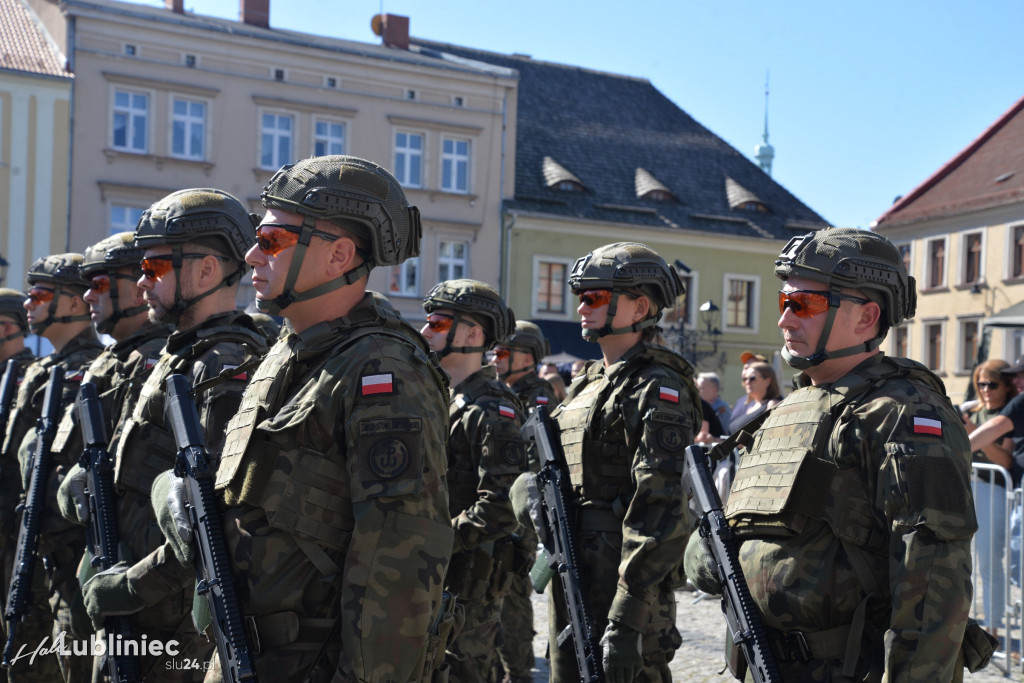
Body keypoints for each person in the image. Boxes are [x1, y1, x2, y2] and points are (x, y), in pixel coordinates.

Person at [171, 156, 451, 680]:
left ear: (339, 254)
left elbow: (401, 566)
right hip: (243, 652)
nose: (252, 253)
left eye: (272, 239)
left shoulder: (382, 371)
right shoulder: (286, 352)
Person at [686, 227, 978, 681]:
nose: (785, 319)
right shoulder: (790, 409)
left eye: (803, 305)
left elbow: (934, 576)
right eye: (784, 302)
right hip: (762, 661)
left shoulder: (903, 411)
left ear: (866, 318)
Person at [64, 188, 271, 681]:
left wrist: (132, 585)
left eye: (155, 268)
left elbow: (217, 521)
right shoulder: (181, 356)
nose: (140, 283)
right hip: (136, 615)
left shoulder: (223, 364)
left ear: (206, 270)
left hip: (174, 628)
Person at [518, 242, 702, 682]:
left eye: (596, 297)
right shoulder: (588, 383)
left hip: (623, 587)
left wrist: (626, 617)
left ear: (640, 306)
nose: (582, 307)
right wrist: (526, 492)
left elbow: (659, 509)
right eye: (581, 296)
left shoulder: (657, 386)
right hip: (573, 568)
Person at [45, 233, 173, 679]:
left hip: (148, 592)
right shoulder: (109, 364)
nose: (87, 296)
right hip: (92, 564)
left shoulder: (160, 363)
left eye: (101, 283)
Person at [1, 254, 103, 682]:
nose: (30, 306)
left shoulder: (94, 372)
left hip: (65, 557)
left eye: (40, 295)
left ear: (76, 303)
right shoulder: (45, 372)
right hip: (28, 546)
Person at [421, 279, 528, 682]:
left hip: (470, 583)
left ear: (472, 334)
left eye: (438, 322)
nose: (425, 330)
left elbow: (502, 506)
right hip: (434, 574)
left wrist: (437, 540)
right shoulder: (444, 399)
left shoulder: (491, 409)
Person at [489, 319, 557, 682]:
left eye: (503, 352)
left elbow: (534, 457)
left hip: (522, 512)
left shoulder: (537, 394)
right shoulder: (500, 389)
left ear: (527, 356)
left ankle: (517, 671)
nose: (495, 358)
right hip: (498, 505)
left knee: (513, 593)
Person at [960, 360, 1016, 643]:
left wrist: (974, 433)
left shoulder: (1008, 416)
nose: (985, 389)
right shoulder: (971, 411)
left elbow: (1005, 461)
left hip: (994, 491)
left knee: (990, 562)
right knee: (962, 560)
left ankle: (993, 627)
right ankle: (965, 622)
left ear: (1005, 386)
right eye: (981, 383)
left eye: (992, 383)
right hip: (967, 489)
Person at [728, 361, 782, 434]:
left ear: (767, 381)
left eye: (752, 378)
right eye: (745, 379)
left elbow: (769, 435)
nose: (747, 382)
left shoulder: (772, 404)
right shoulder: (748, 404)